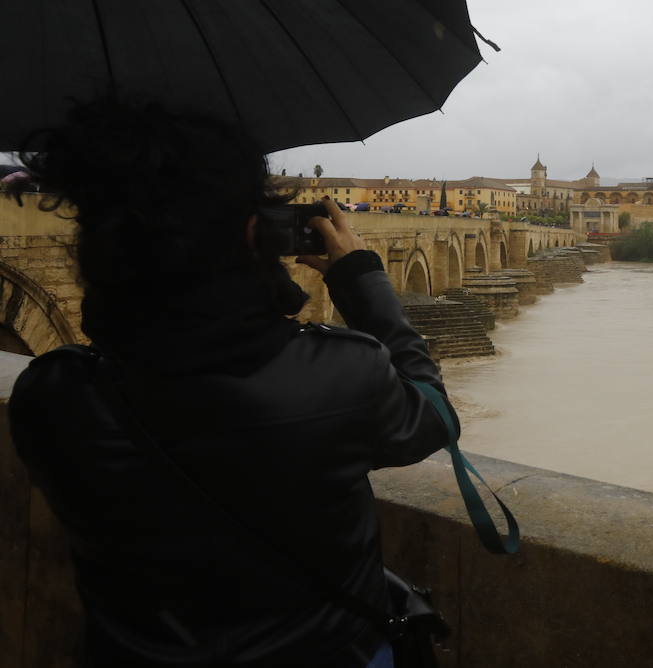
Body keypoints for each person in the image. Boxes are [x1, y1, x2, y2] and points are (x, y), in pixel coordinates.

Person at [6, 99, 457, 667]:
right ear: (255, 234)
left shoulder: (53, 396)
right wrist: (360, 278)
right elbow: (434, 414)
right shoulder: (341, 376)